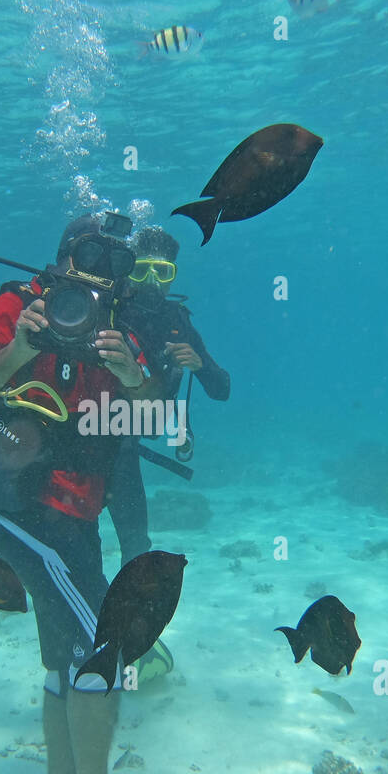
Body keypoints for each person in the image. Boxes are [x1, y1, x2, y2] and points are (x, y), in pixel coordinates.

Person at [0, 213, 159, 774]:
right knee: (105, 642)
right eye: (86, 255)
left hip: (78, 514)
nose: (97, 274)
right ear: (61, 257)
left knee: (65, 660)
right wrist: (15, 351)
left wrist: (132, 375)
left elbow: (151, 416)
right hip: (20, 503)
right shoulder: (16, 308)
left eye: (114, 263)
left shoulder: (121, 331)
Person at [105, 225, 231, 566]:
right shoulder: (107, 309)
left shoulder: (178, 323)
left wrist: (201, 365)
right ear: (127, 270)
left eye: (162, 272)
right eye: (141, 269)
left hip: (124, 443)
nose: (151, 281)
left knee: (135, 544)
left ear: (173, 276)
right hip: (82, 433)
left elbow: (222, 390)